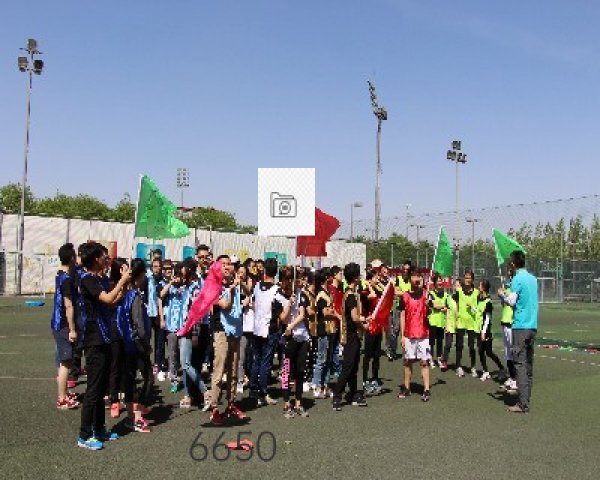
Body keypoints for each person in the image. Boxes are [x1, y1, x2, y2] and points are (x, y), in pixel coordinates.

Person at [77, 242, 130, 450]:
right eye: (103, 256)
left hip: (105, 337)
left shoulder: (100, 279)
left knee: (101, 389)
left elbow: (115, 299)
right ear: (95, 259)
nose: (106, 259)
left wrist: (124, 283)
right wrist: (122, 281)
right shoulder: (87, 279)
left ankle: (98, 429)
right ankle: (84, 435)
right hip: (94, 340)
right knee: (93, 389)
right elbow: (107, 299)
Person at [208, 255, 247, 425]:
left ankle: (231, 404)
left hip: (236, 330)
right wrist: (232, 288)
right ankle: (214, 407)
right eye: (223, 264)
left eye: (229, 264)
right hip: (221, 331)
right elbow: (225, 305)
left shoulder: (234, 283)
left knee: (233, 370)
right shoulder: (214, 285)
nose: (227, 267)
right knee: (219, 370)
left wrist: (240, 284)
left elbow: (248, 294)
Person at [115, 258, 153, 433]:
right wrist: (145, 343)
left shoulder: (125, 293)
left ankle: (133, 415)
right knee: (147, 378)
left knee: (129, 378)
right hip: (135, 342)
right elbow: (139, 324)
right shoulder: (135, 296)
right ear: (142, 274)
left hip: (126, 341)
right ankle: (137, 413)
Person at [499, 251, 538, 413]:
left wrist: (502, 295)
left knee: (520, 364)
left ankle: (523, 404)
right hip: (532, 326)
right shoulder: (533, 279)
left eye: (510, 263)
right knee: (528, 365)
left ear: (513, 264)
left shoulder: (517, 279)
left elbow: (511, 301)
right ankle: (526, 399)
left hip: (520, 326)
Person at [332, 263, 369, 411]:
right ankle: (337, 395)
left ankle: (354, 394)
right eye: (358, 275)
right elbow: (354, 318)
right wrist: (364, 326)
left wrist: (364, 319)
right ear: (355, 277)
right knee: (348, 367)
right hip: (351, 335)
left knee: (353, 366)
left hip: (352, 334)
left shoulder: (350, 293)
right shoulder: (351, 296)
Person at [51, 243, 80, 410]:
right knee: (66, 362)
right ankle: (61, 398)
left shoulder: (60, 275)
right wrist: (72, 329)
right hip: (62, 324)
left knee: (65, 360)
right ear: (71, 258)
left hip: (58, 322)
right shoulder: (66, 279)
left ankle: (65, 393)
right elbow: (68, 306)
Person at [279, 267, 310, 418]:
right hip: (287, 339)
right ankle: (286, 403)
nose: (291, 282)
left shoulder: (301, 295)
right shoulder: (278, 296)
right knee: (286, 371)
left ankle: (298, 402)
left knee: (300, 370)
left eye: (293, 278)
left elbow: (302, 315)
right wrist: (289, 305)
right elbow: (282, 319)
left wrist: (291, 326)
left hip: (302, 337)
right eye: (288, 279)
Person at [397, 268, 431, 402]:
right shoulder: (405, 296)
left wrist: (429, 305)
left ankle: (426, 389)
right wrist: (402, 336)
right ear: (409, 278)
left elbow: (432, 310)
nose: (417, 278)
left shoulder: (426, 294)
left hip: (423, 334)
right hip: (409, 334)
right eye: (414, 276)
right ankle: (406, 388)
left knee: (424, 362)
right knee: (407, 362)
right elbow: (402, 315)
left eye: (419, 276)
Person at [250, 257, 280, 407]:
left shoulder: (257, 286)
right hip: (269, 329)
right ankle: (263, 392)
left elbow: (253, 304)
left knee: (257, 359)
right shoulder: (276, 290)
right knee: (266, 361)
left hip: (257, 327)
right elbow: (281, 312)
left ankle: (253, 389)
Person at [312, 270, 337, 399]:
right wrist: (335, 313)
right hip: (324, 329)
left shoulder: (327, 292)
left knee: (328, 358)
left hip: (331, 328)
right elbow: (325, 312)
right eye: (329, 276)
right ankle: (316, 386)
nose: (332, 278)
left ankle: (325, 385)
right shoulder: (321, 294)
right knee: (321, 358)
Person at [475, 279, 505, 381]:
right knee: (480, 351)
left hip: (485, 331)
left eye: (480, 285)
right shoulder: (480, 299)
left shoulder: (488, 302)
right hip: (478, 329)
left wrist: (484, 332)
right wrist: (472, 308)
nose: (478, 287)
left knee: (489, 352)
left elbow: (487, 318)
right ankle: (486, 371)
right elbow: (479, 312)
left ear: (484, 288)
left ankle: (501, 368)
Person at [362, 270, 384, 395]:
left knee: (376, 355)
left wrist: (379, 284)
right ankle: (365, 379)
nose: (378, 279)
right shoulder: (365, 292)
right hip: (370, 327)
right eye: (376, 277)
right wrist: (369, 285)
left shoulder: (378, 291)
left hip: (378, 327)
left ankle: (375, 378)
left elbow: (387, 292)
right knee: (368, 355)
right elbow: (373, 296)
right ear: (369, 280)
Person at [454, 272, 479, 377]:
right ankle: (458, 366)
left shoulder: (477, 292)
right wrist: (456, 315)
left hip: (472, 323)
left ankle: (473, 367)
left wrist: (472, 307)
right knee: (459, 345)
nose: (467, 280)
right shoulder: (459, 291)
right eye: (465, 278)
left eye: (469, 278)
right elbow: (454, 304)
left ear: (472, 279)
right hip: (461, 322)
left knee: (472, 347)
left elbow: (478, 309)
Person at [389, 261, 412, 361]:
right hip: (399, 308)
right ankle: (392, 351)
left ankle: (406, 352)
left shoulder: (412, 279)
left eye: (407, 269)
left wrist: (403, 293)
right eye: (404, 269)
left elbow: (414, 291)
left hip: (410, 309)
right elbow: (396, 292)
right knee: (395, 329)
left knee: (408, 331)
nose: (405, 271)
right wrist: (407, 293)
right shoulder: (399, 279)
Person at [147, 257, 166, 377]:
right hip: (148, 313)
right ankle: (146, 363)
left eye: (159, 267)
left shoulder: (163, 281)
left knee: (159, 341)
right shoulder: (147, 279)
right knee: (146, 339)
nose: (157, 269)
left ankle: (158, 364)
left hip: (159, 313)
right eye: (155, 266)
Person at [428, 273, 448, 369]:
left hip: (441, 322)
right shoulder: (431, 293)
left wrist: (445, 308)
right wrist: (442, 306)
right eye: (438, 281)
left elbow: (448, 307)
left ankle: (439, 359)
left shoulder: (445, 294)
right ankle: (430, 359)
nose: (440, 283)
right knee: (431, 342)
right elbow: (433, 305)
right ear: (435, 283)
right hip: (432, 321)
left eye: (441, 281)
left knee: (440, 342)